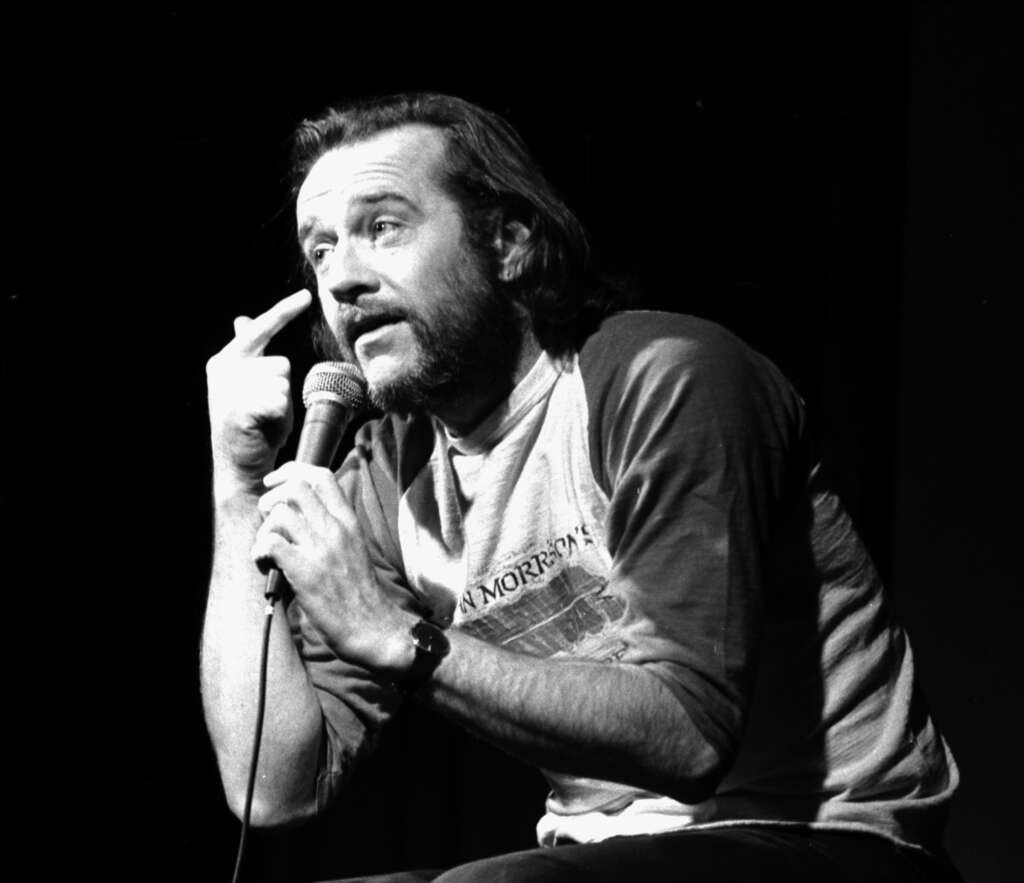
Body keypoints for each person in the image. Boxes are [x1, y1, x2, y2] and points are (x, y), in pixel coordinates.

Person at [201, 93, 960, 882]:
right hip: (604, 858)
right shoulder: (387, 473)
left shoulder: (664, 379)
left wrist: (397, 638)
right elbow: (272, 789)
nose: (344, 278)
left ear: (510, 241)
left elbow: (690, 732)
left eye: (382, 226)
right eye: (319, 250)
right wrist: (236, 482)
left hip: (835, 838)